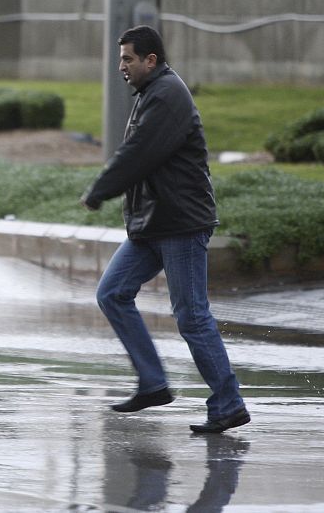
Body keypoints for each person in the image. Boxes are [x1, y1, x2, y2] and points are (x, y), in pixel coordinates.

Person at [81, 25, 249, 434]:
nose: (120, 66)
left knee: (191, 316)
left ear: (150, 60)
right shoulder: (151, 94)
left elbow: (139, 154)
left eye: (127, 59)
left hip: (180, 224)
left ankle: (228, 403)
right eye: (120, 58)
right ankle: (153, 382)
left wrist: (101, 189)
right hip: (154, 224)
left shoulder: (168, 95)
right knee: (112, 293)